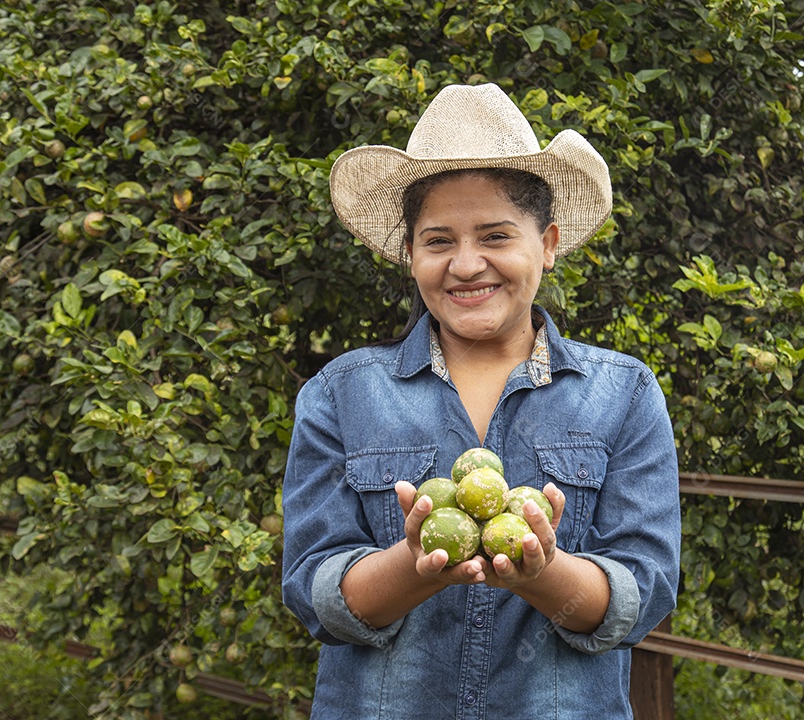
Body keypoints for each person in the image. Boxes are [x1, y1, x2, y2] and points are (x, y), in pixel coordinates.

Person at [281, 83, 680, 719]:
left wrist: (540, 573)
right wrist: (415, 569)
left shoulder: (623, 394)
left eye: (495, 235)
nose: (467, 265)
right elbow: (317, 593)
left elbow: (641, 595)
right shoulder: (341, 395)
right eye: (439, 241)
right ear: (410, 253)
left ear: (546, 244)